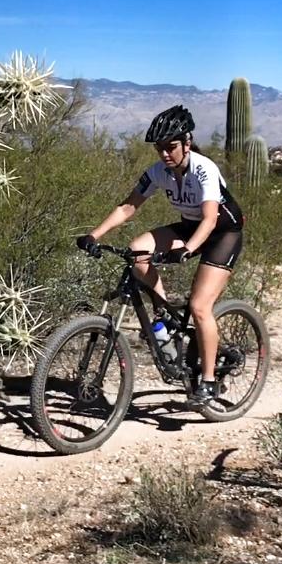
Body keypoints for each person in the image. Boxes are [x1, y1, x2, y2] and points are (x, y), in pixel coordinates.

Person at [76, 105, 245, 409]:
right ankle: (163, 314)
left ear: (187, 143)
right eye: (160, 149)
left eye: (170, 147)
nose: (165, 154)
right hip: (190, 226)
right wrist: (94, 235)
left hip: (223, 233)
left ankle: (207, 382)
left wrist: (189, 249)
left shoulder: (203, 169)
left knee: (199, 306)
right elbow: (128, 207)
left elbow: (209, 219)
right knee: (137, 252)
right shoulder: (158, 172)